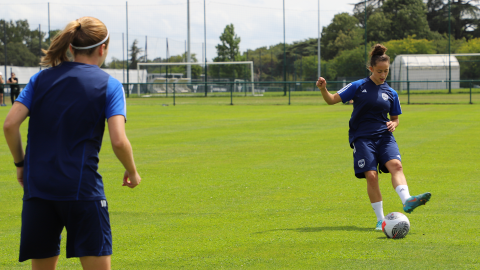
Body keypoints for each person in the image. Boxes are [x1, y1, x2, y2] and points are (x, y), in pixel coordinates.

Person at [3, 17, 141, 270]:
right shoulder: (109, 85)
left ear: (71, 47)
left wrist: (21, 164)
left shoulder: (39, 79)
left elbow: (10, 125)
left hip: (38, 189)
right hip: (83, 191)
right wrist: (132, 171)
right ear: (103, 48)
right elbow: (119, 141)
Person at [315, 44, 431, 230]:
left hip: (384, 136)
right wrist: (323, 89)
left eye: (386, 71)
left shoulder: (391, 93)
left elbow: (395, 119)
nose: (383, 75)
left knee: (396, 165)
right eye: (379, 71)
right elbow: (331, 100)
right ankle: (380, 219)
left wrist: (394, 123)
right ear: (371, 69)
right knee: (371, 175)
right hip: (362, 138)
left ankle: (407, 200)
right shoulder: (357, 86)